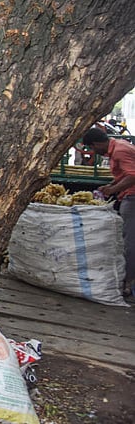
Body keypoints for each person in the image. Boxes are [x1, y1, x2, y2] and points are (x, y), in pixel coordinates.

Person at [82, 127, 135, 297]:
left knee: (130, 241)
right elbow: (125, 174)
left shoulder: (120, 151)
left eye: (92, 148)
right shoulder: (120, 146)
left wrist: (113, 190)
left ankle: (128, 281)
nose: (93, 152)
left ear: (97, 144)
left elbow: (133, 176)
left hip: (132, 197)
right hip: (128, 195)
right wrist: (111, 185)